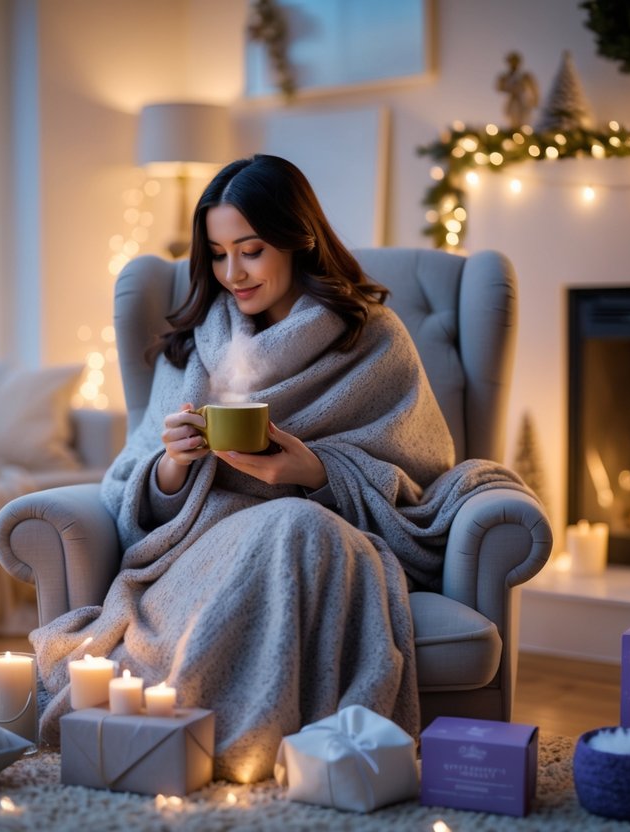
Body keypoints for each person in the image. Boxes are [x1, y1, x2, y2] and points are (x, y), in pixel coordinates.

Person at [30, 154, 517, 783]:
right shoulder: (191, 344)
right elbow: (131, 487)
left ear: (299, 238)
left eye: (251, 250)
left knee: (297, 524)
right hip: (202, 547)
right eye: (218, 253)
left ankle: (230, 747)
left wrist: (313, 471)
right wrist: (172, 464)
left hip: (328, 532)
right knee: (291, 526)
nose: (233, 273)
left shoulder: (372, 338)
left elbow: (421, 475)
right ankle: (219, 747)